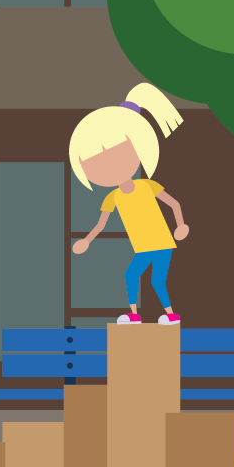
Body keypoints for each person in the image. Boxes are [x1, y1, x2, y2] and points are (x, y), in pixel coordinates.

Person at [68, 84, 191, 323]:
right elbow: (101, 224)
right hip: (142, 246)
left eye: (118, 155)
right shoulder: (112, 197)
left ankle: (170, 314)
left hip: (162, 242)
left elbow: (174, 203)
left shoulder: (147, 185)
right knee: (131, 275)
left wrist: (181, 225)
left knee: (157, 281)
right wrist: (87, 240)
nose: (109, 168)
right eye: (96, 166)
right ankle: (134, 315)